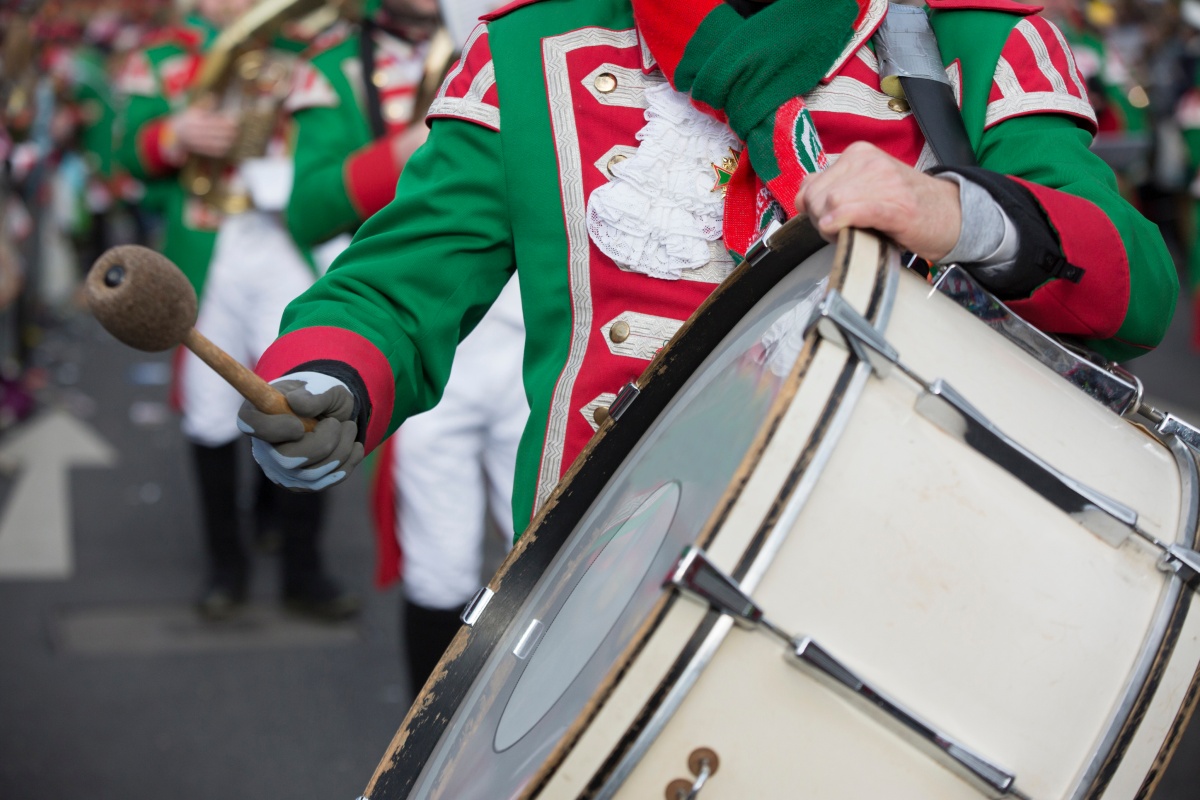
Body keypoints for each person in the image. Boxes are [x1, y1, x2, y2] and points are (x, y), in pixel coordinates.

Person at [238, 0, 1178, 540]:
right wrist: (334, 372)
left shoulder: (973, 36)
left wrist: (960, 213)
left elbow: (1137, 290)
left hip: (916, 548)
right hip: (606, 573)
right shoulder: (531, 49)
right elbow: (400, 281)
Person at [283, 0, 527, 692]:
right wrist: (396, 159)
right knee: (440, 567)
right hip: (432, 352)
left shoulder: (531, 35)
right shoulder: (332, 67)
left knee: (555, 559)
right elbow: (308, 210)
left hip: (537, 343)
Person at [115, 0, 358, 620]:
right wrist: (175, 135)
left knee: (307, 394)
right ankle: (227, 565)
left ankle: (304, 565)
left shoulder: (312, 53)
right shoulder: (166, 54)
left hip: (285, 243)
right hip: (208, 253)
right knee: (208, 408)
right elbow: (118, 152)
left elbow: (345, 142)